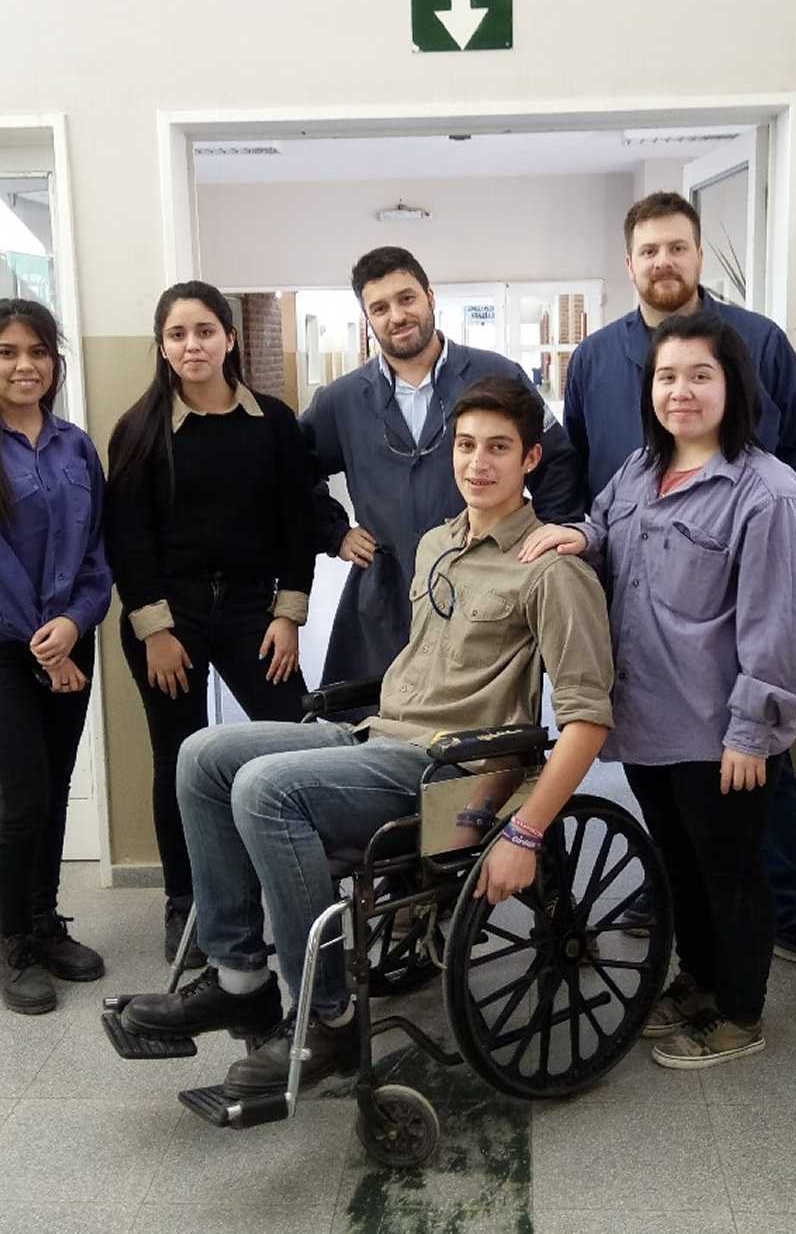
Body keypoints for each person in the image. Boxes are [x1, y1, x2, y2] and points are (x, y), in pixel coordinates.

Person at [119, 375, 614, 1099]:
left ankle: (329, 1016)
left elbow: (588, 720)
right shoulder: (438, 544)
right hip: (380, 734)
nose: (479, 463)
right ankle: (240, 980)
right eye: (468, 445)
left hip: (452, 770)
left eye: (500, 449)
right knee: (202, 755)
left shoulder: (552, 569)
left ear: (531, 460)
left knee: (265, 789)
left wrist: (526, 834)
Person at [562, 191, 796, 990]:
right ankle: (685, 913)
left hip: (729, 628)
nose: (663, 262)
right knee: (677, 808)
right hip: (642, 631)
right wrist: (582, 535)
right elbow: (592, 479)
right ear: (628, 262)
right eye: (648, 250)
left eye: (678, 247)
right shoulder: (599, 363)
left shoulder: (760, 349)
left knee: (754, 779)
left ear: (699, 255)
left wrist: (742, 537)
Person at [522, 311, 796, 1067]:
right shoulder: (639, 472)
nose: (680, 391)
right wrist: (577, 536)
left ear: (732, 386)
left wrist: (753, 730)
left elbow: (780, 626)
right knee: (678, 868)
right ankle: (698, 980)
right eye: (666, 376)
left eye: (699, 375)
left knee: (731, 876)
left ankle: (739, 1014)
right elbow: (607, 526)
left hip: (720, 731)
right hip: (650, 720)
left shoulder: (767, 493)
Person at [104, 281, 316, 969]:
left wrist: (288, 616)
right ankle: (184, 901)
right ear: (162, 346)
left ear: (229, 338)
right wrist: (155, 630)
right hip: (171, 614)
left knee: (298, 739)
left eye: (204, 331)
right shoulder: (139, 429)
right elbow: (126, 540)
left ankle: (304, 890)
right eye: (177, 334)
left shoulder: (274, 422)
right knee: (179, 758)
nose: (191, 345)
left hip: (255, 608)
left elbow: (297, 523)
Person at [0, 297, 112, 1015]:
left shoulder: (74, 446)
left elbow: (97, 550)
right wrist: (46, 640)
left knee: (57, 785)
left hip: (69, 637)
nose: (24, 365)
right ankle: (13, 945)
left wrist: (75, 624)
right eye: (6, 352)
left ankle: (45, 921)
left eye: (36, 351)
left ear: (54, 362)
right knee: (25, 794)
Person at [302, 246, 585, 686]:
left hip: (485, 588)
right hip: (385, 591)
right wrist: (334, 531)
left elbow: (557, 459)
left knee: (476, 720)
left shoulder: (498, 374)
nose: (396, 315)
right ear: (367, 319)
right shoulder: (340, 401)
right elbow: (292, 471)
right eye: (379, 308)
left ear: (431, 297)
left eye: (407, 298)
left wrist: (548, 539)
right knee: (375, 721)